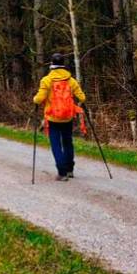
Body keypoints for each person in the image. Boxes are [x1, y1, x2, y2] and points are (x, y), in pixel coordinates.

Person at [33, 53, 86, 182]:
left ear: (51, 65)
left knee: (56, 144)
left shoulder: (47, 80)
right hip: (68, 117)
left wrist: (35, 99)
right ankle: (69, 170)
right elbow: (82, 97)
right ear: (63, 65)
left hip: (52, 118)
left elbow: (39, 99)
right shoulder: (71, 80)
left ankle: (62, 173)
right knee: (68, 142)